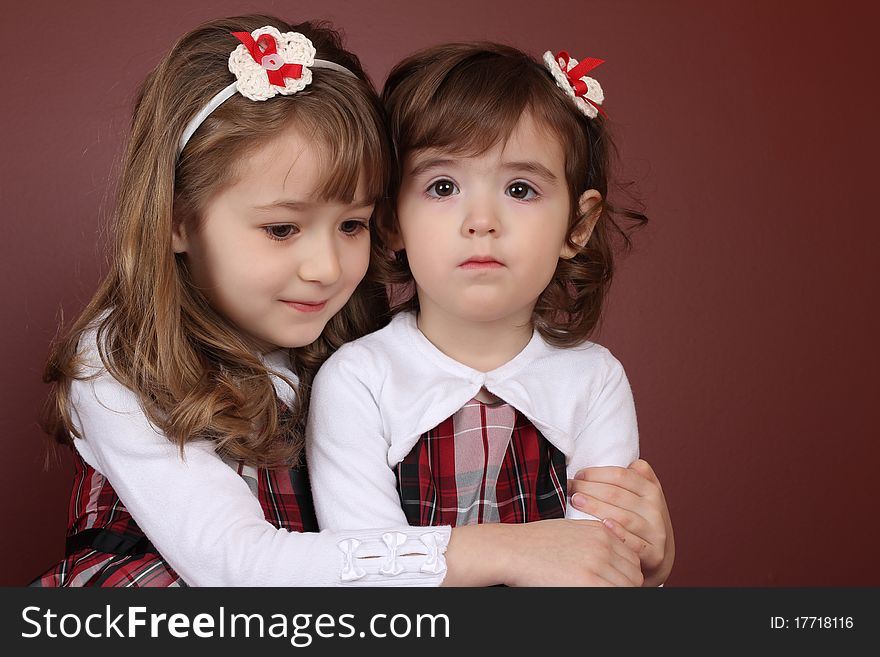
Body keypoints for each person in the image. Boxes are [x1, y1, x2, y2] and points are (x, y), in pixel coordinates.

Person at [33, 16, 649, 587]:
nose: (327, 268)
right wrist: (509, 551)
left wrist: (639, 552)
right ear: (176, 219)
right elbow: (235, 565)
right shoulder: (122, 365)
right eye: (281, 229)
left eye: (353, 225)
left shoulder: (351, 344)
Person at [307, 42, 674, 586]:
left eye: (520, 189)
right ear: (390, 222)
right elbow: (370, 573)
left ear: (578, 225)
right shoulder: (359, 381)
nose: (481, 220)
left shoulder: (593, 381)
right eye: (443, 187)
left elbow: (597, 569)